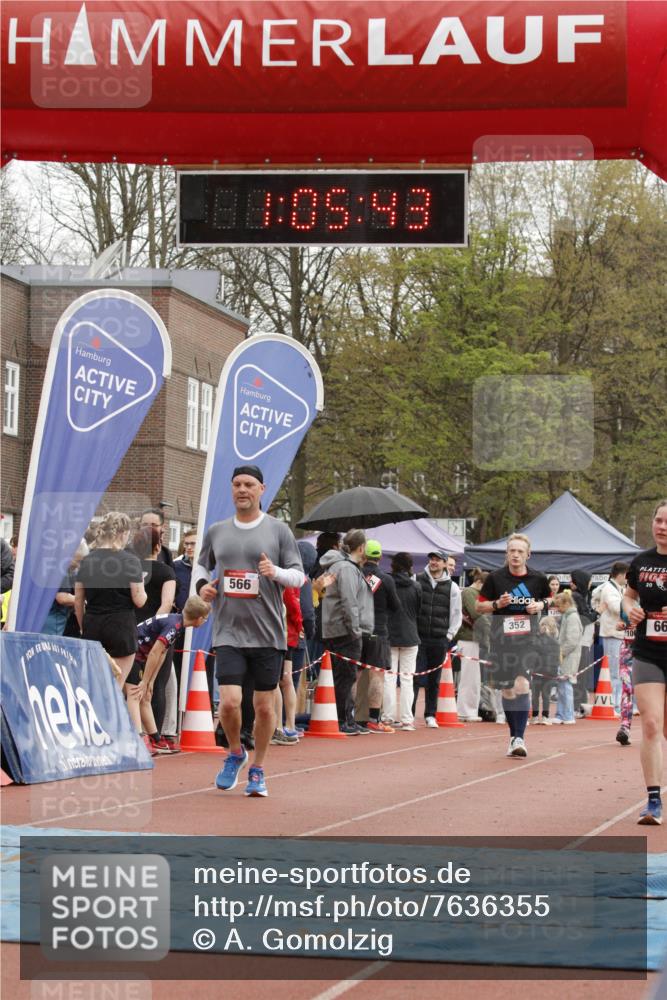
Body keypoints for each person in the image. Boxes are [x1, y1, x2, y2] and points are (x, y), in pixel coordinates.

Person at [194, 465, 304, 798]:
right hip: (228, 630)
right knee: (228, 704)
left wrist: (276, 572)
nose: (243, 490)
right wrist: (202, 587)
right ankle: (234, 752)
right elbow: (202, 565)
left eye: (249, 485)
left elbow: (300, 576)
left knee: (265, 708)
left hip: (268, 633)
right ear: (232, 489)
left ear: (261, 489)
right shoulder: (217, 530)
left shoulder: (278, 530)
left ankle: (258, 767)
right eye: (237, 484)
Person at [478, 533, 551, 757]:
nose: (516, 555)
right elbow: (479, 607)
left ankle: (520, 737)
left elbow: (551, 600)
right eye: (512, 551)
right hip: (501, 640)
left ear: (528, 555)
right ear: (507, 554)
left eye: (520, 551)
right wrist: (497, 603)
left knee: (522, 685)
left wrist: (539, 605)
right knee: (508, 690)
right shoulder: (495, 579)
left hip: (527, 640)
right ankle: (513, 736)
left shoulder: (538, 579)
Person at [622, 500, 667, 825]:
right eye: (659, 520)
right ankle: (653, 800)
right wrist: (629, 610)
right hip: (648, 652)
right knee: (651, 724)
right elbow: (628, 595)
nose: (662, 527)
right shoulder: (641, 562)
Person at [125, 596, 210, 755]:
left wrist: (151, 680)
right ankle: (138, 739)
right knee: (135, 694)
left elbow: (162, 653)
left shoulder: (179, 624)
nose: (204, 622)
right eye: (204, 619)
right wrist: (144, 680)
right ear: (198, 619)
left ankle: (155, 738)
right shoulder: (174, 625)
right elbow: (154, 653)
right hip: (131, 652)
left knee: (146, 696)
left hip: (140, 654)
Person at [75, 512, 147, 683]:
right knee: (116, 686)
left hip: (93, 624)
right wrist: (142, 582)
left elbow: (78, 599)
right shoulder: (130, 561)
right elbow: (139, 600)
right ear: (123, 533)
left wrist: (82, 626)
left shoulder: (87, 561)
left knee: (93, 684)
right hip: (120, 627)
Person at [319, 529, 374, 735]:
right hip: (344, 630)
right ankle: (343, 719)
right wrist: (355, 629)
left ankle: (344, 717)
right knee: (345, 676)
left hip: (336, 627)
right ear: (361, 548)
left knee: (343, 675)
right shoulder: (347, 569)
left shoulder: (341, 567)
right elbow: (349, 600)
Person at [356, 540, 401, 733]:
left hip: (356, 629)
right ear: (380, 557)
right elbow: (396, 606)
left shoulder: (356, 574)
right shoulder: (386, 579)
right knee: (376, 674)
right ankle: (373, 718)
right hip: (377, 630)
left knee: (357, 672)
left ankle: (355, 716)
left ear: (363, 555)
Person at [415, 550, 462, 728]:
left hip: (439, 639)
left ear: (444, 564)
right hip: (418, 637)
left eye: (437, 560)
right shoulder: (417, 579)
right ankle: (409, 714)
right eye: (431, 559)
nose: (433, 562)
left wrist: (448, 636)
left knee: (434, 679)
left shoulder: (453, 587)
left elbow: (456, 614)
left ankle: (430, 715)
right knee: (414, 676)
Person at [386, 551, 421, 730]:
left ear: (393, 566)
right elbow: (418, 610)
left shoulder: (387, 582)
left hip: (390, 634)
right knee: (407, 679)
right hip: (410, 634)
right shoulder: (416, 586)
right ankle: (407, 719)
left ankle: (388, 717)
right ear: (410, 567)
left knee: (389, 677)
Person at [456, 567, 489, 722]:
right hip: (468, 638)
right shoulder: (469, 593)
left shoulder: (475, 594)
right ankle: (465, 711)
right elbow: (476, 614)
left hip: (474, 639)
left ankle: (470, 710)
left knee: (474, 678)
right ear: (479, 582)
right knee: (468, 678)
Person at [598, 561, 630, 715]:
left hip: (619, 634)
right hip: (611, 634)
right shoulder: (609, 589)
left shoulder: (620, 588)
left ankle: (617, 704)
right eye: (627, 576)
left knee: (620, 671)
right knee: (613, 672)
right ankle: (614, 705)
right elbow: (617, 608)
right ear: (622, 575)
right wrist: (632, 608)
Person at [551, 591, 582, 725]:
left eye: (559, 606)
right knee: (561, 685)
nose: (557, 609)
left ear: (567, 603)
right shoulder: (567, 616)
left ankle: (568, 715)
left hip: (569, 656)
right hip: (565, 655)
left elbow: (572, 640)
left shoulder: (572, 617)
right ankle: (561, 714)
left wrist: (561, 653)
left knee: (565, 685)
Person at [532, 616, 560, 724]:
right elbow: (557, 659)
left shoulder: (537, 640)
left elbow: (533, 655)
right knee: (546, 695)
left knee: (535, 695)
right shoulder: (556, 642)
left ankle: (534, 716)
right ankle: (545, 716)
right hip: (550, 673)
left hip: (537, 671)